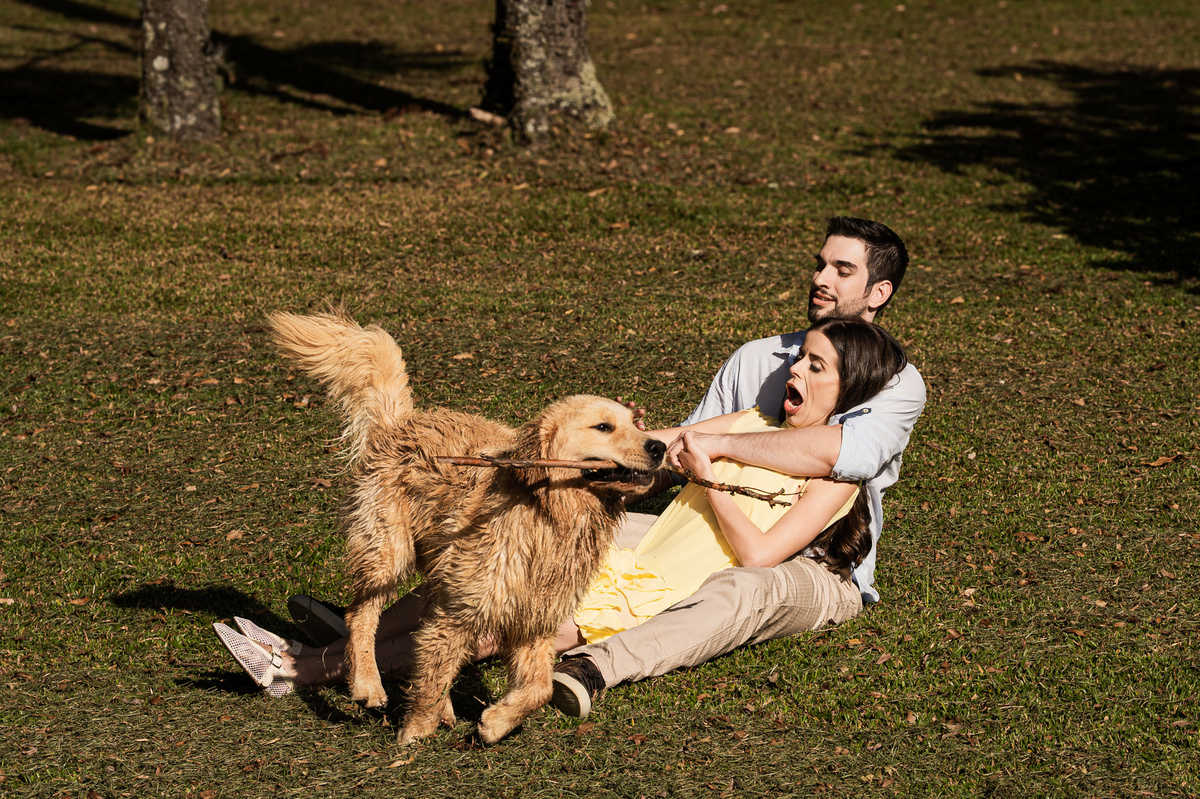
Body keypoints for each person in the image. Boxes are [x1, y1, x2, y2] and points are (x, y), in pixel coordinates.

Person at [213, 314, 910, 701]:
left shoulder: (841, 482)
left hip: (655, 593)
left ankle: (305, 670)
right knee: (469, 588)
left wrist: (716, 482)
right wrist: (601, 442)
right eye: (801, 359)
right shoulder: (754, 426)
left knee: (487, 634)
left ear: (850, 388)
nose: (795, 371)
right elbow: (661, 446)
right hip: (621, 560)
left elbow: (757, 554)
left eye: (817, 367)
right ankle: (321, 651)